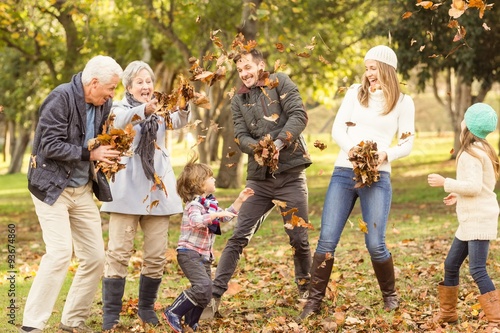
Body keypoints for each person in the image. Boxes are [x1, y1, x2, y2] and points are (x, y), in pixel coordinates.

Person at [299, 45, 416, 320]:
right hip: (344, 171)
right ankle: (313, 303)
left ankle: (390, 297)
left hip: (377, 176)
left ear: (387, 69)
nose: (368, 73)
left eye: (373, 68)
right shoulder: (355, 92)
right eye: (366, 68)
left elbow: (408, 141)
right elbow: (338, 129)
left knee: (375, 243)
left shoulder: (403, 102)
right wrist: (351, 149)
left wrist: (387, 154)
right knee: (327, 240)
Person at [202, 48, 313, 319]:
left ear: (260, 65)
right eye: (240, 70)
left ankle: (306, 290)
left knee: (299, 238)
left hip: (291, 174)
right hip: (259, 180)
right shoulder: (238, 99)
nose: (244, 73)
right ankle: (214, 297)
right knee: (238, 236)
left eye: (248, 67)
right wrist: (257, 149)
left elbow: (299, 116)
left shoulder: (281, 82)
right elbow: (239, 135)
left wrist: (276, 143)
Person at [19, 55, 123, 333]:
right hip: (51, 188)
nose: (113, 94)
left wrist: (104, 157)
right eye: (111, 88)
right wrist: (90, 154)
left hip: (82, 190)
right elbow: (49, 146)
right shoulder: (60, 98)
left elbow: (96, 141)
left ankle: (72, 322)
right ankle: (31, 325)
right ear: (93, 83)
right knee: (60, 253)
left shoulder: (104, 104)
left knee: (94, 257)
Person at [99, 60, 190, 330]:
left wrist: (184, 105)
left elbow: (178, 121)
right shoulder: (117, 108)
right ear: (129, 86)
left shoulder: (160, 110)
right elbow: (119, 120)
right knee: (118, 253)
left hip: (156, 192)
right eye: (139, 82)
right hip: (126, 193)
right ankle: (111, 315)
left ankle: (147, 308)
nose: (146, 86)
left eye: (148, 81)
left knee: (156, 255)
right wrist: (144, 110)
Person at [427, 103, 500, 331]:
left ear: (468, 125)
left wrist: (445, 182)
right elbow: (482, 187)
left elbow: (475, 187)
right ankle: (448, 314)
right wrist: (457, 194)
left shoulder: (470, 153)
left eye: (464, 118)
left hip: (478, 219)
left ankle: (496, 320)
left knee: (477, 269)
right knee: (451, 263)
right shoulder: (482, 149)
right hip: (471, 219)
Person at [162, 155, 254, 332]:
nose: (214, 179)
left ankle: (191, 323)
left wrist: (240, 200)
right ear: (199, 183)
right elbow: (197, 221)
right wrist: (214, 216)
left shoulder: (209, 204)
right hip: (189, 254)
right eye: (210, 177)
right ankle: (173, 311)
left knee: (207, 292)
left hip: (203, 255)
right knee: (202, 287)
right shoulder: (194, 205)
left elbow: (226, 216)